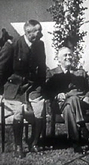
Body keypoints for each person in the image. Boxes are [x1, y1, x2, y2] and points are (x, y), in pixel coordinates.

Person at [1, 20, 46, 158]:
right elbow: (0, 69)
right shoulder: (12, 45)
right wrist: (1, 92)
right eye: (37, 31)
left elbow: (42, 67)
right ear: (28, 32)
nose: (40, 34)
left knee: (40, 109)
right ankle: (18, 146)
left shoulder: (39, 45)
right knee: (18, 112)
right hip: (14, 87)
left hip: (32, 86)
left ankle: (34, 142)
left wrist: (41, 86)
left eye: (40, 30)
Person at [45, 46, 89, 152]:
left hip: (79, 104)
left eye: (70, 54)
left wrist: (88, 97)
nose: (68, 57)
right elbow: (47, 92)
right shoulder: (53, 74)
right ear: (59, 59)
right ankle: (82, 127)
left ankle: (75, 142)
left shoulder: (80, 73)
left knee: (70, 104)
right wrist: (57, 95)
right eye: (65, 55)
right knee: (72, 100)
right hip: (58, 105)